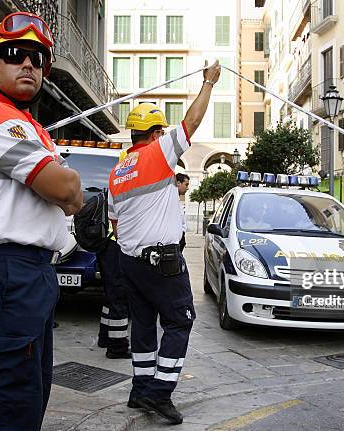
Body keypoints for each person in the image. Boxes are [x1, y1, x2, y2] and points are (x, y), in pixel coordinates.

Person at [0, 12, 83, 429]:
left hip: (24, 272)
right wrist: (67, 187)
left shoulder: (28, 126)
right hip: (9, 271)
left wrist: (66, 189)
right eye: (13, 55)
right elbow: (66, 191)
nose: (28, 64)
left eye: (37, 58)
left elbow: (65, 193)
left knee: (26, 393)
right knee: (14, 405)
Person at [107, 61, 221, 424]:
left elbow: (115, 220)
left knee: (143, 327)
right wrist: (208, 83)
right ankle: (159, 393)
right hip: (162, 262)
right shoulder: (157, 155)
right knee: (179, 321)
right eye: (162, 132)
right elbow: (191, 122)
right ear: (155, 135)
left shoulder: (117, 172)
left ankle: (140, 390)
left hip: (130, 261)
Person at [97, 234, 131, 359]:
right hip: (116, 243)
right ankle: (118, 346)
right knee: (119, 294)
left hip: (106, 243)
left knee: (111, 294)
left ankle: (105, 337)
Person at [176, 173, 190, 251]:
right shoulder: (172, 200)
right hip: (176, 241)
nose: (187, 188)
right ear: (178, 183)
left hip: (180, 239)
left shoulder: (177, 199)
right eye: (186, 185)